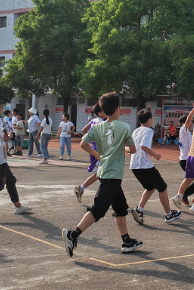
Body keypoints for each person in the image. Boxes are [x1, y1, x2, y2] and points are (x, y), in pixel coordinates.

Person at [62, 92, 143, 257]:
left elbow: (83, 143)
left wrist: (97, 154)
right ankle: (73, 234)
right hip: (112, 176)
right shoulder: (124, 127)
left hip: (106, 172)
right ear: (118, 109)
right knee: (98, 210)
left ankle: (126, 241)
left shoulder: (97, 127)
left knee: (121, 209)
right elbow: (133, 150)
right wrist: (123, 148)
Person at [129, 108, 182, 225]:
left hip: (134, 165)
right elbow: (143, 146)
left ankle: (139, 210)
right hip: (144, 165)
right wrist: (155, 154)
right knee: (162, 187)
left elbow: (133, 148)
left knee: (150, 187)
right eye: (152, 118)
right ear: (149, 120)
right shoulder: (148, 131)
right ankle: (169, 214)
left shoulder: (136, 131)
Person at [73, 103, 105, 203]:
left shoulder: (93, 121)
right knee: (104, 175)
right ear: (100, 113)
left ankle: (81, 188)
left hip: (93, 148)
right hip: (99, 151)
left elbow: (83, 130)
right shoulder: (101, 123)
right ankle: (105, 198)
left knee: (99, 174)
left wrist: (91, 140)